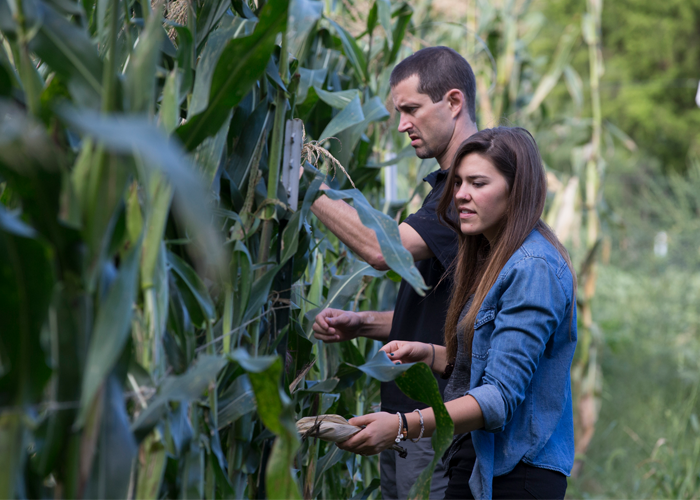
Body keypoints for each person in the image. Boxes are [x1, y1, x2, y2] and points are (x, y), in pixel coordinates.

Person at [335, 127, 578, 500]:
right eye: (459, 182)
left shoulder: (533, 268)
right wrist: (429, 353)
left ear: (518, 192)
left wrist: (403, 425)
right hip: (480, 462)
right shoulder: (495, 257)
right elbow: (497, 363)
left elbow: (499, 397)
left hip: (517, 476)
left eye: (478, 183)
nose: (461, 194)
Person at [310, 47, 478, 500]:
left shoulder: (469, 190)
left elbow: (379, 250)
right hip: (410, 416)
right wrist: (361, 323)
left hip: (433, 419)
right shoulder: (450, 187)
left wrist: (304, 183)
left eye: (411, 109)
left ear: (454, 102)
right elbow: (443, 309)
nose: (402, 124)